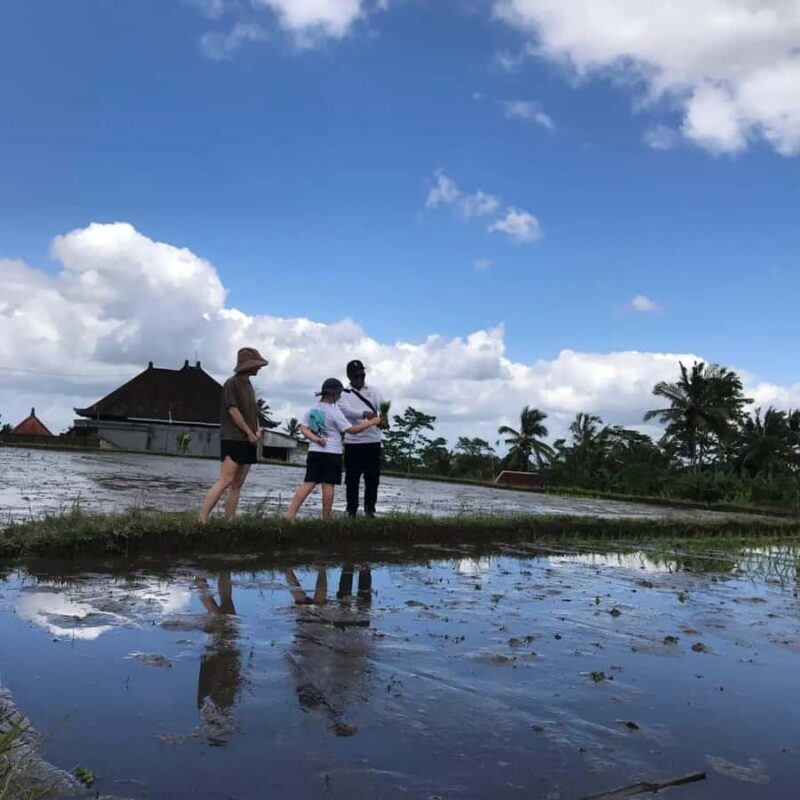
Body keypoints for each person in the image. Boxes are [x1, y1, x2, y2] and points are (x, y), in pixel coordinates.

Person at [284, 378, 381, 520]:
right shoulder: (334, 411)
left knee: (308, 483)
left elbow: (303, 428)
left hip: (314, 451)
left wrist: (315, 439)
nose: (340, 396)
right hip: (332, 453)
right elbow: (351, 430)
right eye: (339, 394)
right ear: (333, 394)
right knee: (328, 485)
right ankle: (326, 518)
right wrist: (372, 422)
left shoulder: (313, 409)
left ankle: (290, 514)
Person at [199, 347, 268, 524]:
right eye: (256, 365)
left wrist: (257, 430)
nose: (259, 368)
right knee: (226, 480)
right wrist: (248, 432)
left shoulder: (250, 386)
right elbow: (233, 410)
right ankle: (202, 519)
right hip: (233, 438)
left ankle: (229, 521)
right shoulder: (232, 383)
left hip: (249, 439)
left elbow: (252, 412)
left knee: (238, 483)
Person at [337, 359, 384, 517]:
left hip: (373, 441)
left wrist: (383, 419)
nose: (360, 378)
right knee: (352, 479)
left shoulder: (374, 390)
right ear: (349, 376)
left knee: (372, 478)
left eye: (362, 375)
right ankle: (351, 510)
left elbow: (382, 408)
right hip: (353, 442)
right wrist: (364, 414)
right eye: (356, 376)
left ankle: (370, 510)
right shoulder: (343, 394)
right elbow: (345, 411)